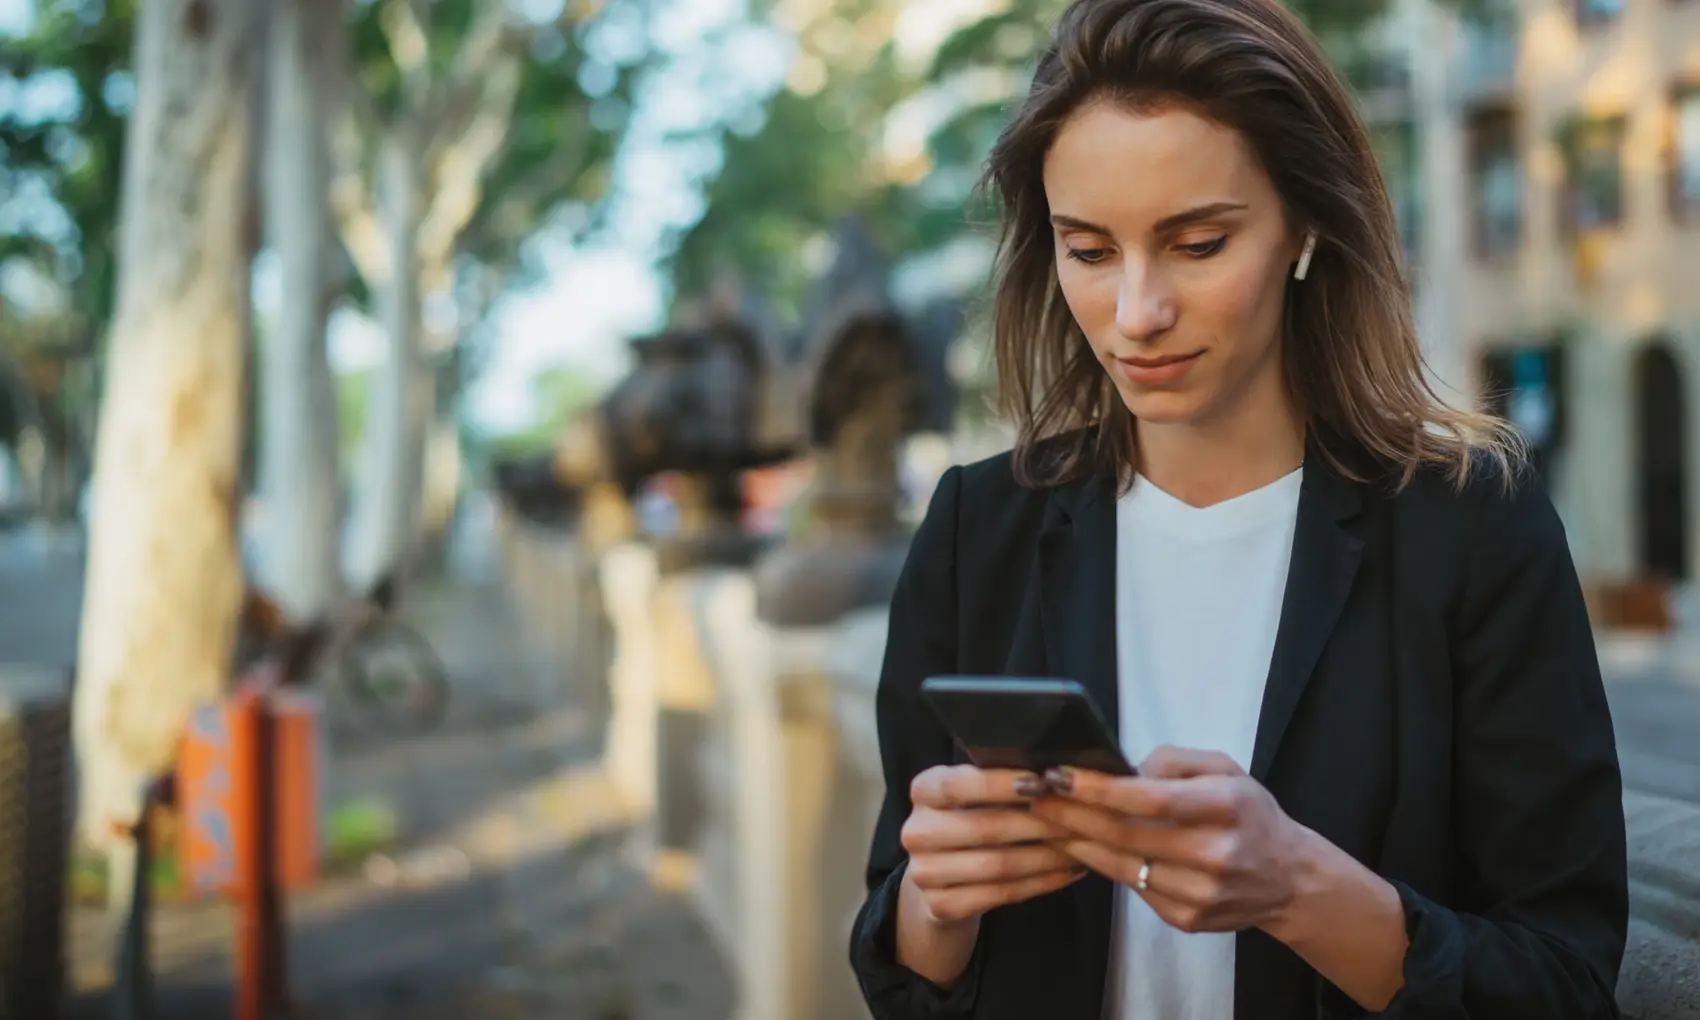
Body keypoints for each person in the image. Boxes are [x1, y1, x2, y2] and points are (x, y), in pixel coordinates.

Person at [847, 1, 1629, 1018]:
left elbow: (1562, 983)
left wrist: (1299, 889)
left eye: (1198, 243)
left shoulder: (1470, 528)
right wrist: (934, 904)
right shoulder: (974, 527)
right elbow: (896, 964)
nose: (1134, 314)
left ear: (1304, 223)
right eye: (1087, 251)